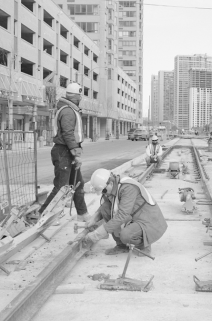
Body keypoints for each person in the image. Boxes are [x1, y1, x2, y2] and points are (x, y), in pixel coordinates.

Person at [84, 169, 167, 255]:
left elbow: (122, 215)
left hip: (148, 220)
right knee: (105, 208)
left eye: (104, 191)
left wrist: (97, 234)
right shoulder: (112, 186)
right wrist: (94, 218)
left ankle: (144, 247)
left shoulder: (128, 188)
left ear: (111, 183)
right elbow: (106, 205)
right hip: (134, 216)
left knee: (126, 235)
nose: (104, 194)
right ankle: (121, 246)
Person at [39, 83, 90, 222]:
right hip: (64, 151)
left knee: (78, 184)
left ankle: (82, 214)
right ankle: (41, 216)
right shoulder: (68, 111)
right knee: (61, 188)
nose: (81, 98)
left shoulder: (70, 109)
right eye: (80, 95)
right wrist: (76, 154)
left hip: (67, 151)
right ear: (76, 96)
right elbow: (68, 134)